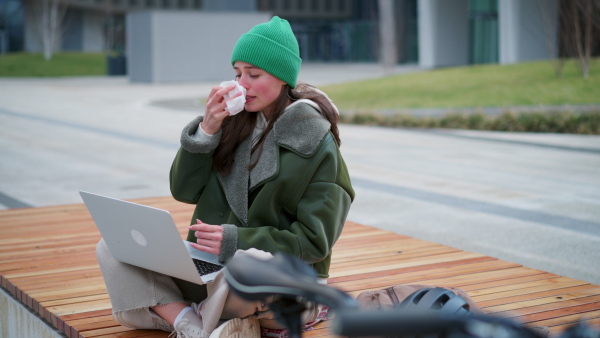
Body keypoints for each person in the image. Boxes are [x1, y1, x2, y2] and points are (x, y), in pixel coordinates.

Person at [96, 16, 354, 338]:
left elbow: (314, 241)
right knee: (114, 246)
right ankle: (193, 325)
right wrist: (206, 130)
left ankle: (177, 314)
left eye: (253, 74)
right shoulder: (232, 123)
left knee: (246, 266)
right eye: (236, 73)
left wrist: (237, 241)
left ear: (282, 77)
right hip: (210, 271)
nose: (240, 84)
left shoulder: (316, 142)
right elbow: (184, 190)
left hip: (282, 283)